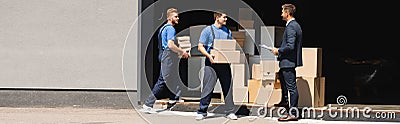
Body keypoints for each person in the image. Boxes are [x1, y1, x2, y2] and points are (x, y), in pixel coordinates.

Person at [142, 8, 190, 114]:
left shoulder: (162, 28)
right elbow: (170, 45)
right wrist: (182, 51)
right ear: (169, 18)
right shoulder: (170, 29)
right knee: (163, 80)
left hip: (165, 55)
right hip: (168, 55)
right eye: (176, 16)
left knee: (174, 78)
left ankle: (174, 100)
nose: (178, 18)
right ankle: (148, 103)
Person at [195, 10, 238, 120]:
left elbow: (230, 46)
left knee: (227, 87)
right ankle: (202, 111)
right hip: (211, 62)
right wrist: (208, 55)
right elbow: (200, 46)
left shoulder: (227, 31)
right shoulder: (208, 30)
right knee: (208, 87)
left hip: (224, 63)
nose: (226, 19)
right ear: (217, 17)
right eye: (224, 17)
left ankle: (230, 111)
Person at [271, 3, 303, 121]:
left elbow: (290, 45)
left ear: (287, 13)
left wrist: (278, 50)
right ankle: (285, 101)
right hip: (288, 61)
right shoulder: (295, 26)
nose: (281, 14)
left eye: (282, 12)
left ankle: (293, 113)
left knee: (291, 87)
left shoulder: (291, 27)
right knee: (284, 81)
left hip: (288, 61)